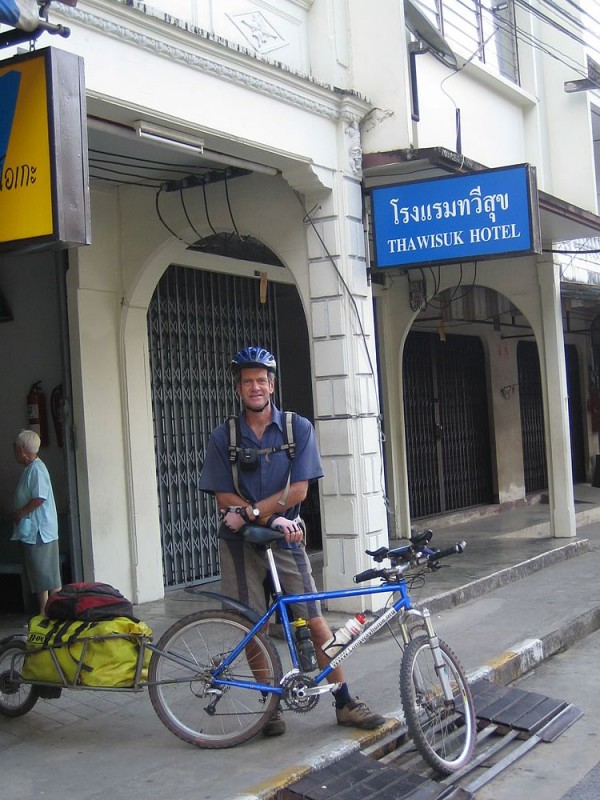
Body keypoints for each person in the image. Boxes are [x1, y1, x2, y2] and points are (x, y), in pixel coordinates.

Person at [199, 345, 386, 737]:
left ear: (271, 385)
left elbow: (299, 491)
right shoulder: (223, 436)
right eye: (247, 381)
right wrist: (265, 514)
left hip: (285, 539)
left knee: (316, 622)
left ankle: (344, 700)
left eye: (261, 380)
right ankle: (270, 706)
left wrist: (252, 512)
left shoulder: (297, 428)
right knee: (252, 625)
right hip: (240, 543)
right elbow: (221, 497)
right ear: (239, 389)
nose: (255, 387)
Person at [12, 429, 61, 616]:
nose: (15, 451)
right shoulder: (31, 468)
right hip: (35, 530)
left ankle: (46, 614)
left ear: (23, 449)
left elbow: (39, 497)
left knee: (45, 575)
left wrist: (21, 513)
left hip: (40, 530)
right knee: (43, 574)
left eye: (16, 448)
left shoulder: (37, 469)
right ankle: (47, 613)